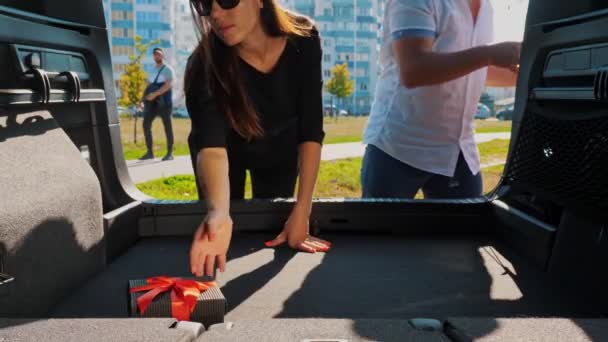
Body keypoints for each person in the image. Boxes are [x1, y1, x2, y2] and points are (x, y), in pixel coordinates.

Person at [185, 0, 331, 277]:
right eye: (204, 3)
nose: (215, 13)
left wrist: (303, 211)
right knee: (225, 223)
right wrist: (218, 212)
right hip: (225, 155)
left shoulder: (305, 37)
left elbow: (311, 129)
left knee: (275, 226)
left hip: (280, 149)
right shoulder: (202, 64)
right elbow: (212, 149)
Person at [361, 0, 521, 199]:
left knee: (468, 228)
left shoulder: (486, 8)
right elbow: (413, 69)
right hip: (399, 149)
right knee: (383, 228)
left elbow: (474, 67)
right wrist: (488, 54)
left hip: (458, 151)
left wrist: (534, 70)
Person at [139, 47, 175, 161]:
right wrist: (141, 100)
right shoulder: (152, 69)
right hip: (152, 103)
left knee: (167, 127)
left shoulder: (168, 69)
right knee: (146, 124)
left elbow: (168, 85)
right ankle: (150, 152)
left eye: (159, 54)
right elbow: (148, 86)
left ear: (163, 56)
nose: (157, 56)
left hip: (164, 102)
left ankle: (170, 153)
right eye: (155, 54)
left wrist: (155, 94)